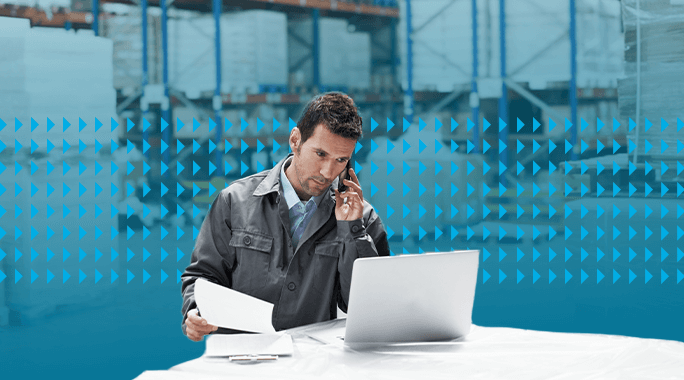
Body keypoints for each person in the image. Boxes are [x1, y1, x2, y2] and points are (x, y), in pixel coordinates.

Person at [181, 92, 390, 341]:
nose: (328, 172)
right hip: (242, 358)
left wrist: (352, 228)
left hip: (313, 364)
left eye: (341, 160)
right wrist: (195, 311)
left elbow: (365, 307)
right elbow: (203, 275)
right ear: (295, 140)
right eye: (320, 154)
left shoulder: (362, 219)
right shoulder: (234, 201)